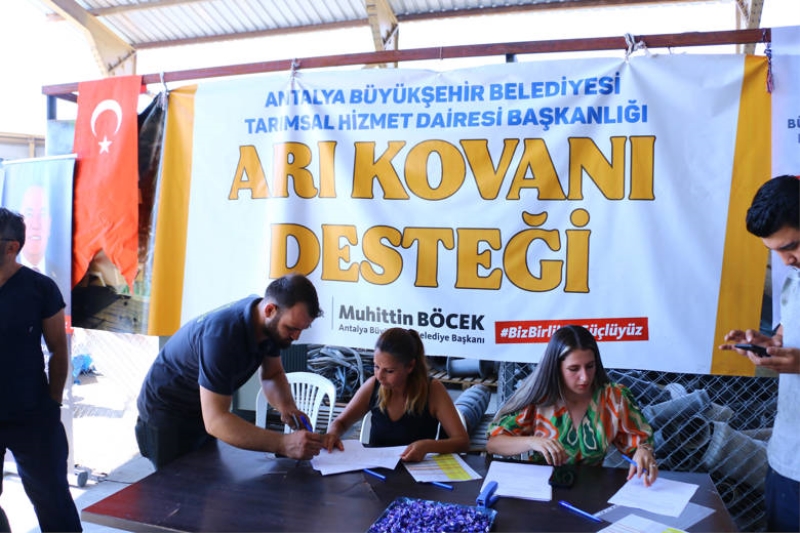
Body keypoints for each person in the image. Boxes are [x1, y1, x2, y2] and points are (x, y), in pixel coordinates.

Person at [136, 274, 325, 470]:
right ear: (270, 310)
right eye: (292, 328)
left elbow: (272, 375)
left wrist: (288, 407)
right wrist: (283, 444)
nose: (296, 336)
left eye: (302, 329)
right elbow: (216, 421)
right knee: (177, 487)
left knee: (208, 480)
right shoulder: (222, 336)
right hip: (165, 414)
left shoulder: (269, 323)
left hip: (200, 412)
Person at [719, 174, 799, 532]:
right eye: (775, 251)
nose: (786, 260)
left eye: (792, 246)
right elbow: (788, 337)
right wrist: (770, 344)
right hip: (786, 460)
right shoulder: (796, 277)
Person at [487, 325, 658, 487]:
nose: (585, 377)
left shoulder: (614, 397)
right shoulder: (539, 398)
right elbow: (494, 443)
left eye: (590, 366)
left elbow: (640, 441)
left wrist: (643, 451)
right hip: (542, 488)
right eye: (574, 369)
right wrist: (531, 442)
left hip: (591, 489)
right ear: (556, 368)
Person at [0, 207, 82, 532]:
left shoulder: (40, 288)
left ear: (11, 247)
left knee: (53, 501)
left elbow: (58, 350)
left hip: (32, 414)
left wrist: (52, 403)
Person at [323, 327, 469, 462]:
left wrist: (427, 446)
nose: (380, 376)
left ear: (410, 366)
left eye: (389, 371)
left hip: (417, 475)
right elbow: (341, 422)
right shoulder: (373, 385)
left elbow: (462, 442)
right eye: (376, 366)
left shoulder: (432, 389)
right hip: (377, 471)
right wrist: (333, 433)